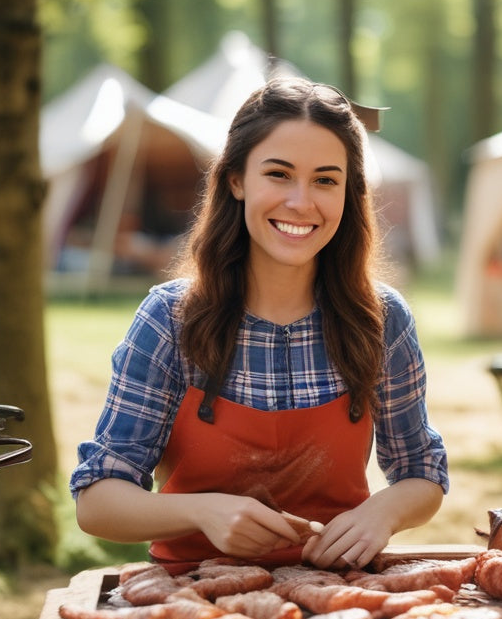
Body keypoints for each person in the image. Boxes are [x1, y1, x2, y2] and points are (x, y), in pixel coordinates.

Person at [70, 77, 448, 572]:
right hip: (190, 600)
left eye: (326, 180)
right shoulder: (170, 319)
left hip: (343, 599)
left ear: (348, 194)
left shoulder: (382, 319)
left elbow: (422, 473)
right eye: (279, 174)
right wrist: (202, 511)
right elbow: (97, 501)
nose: (301, 201)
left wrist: (384, 511)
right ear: (236, 180)